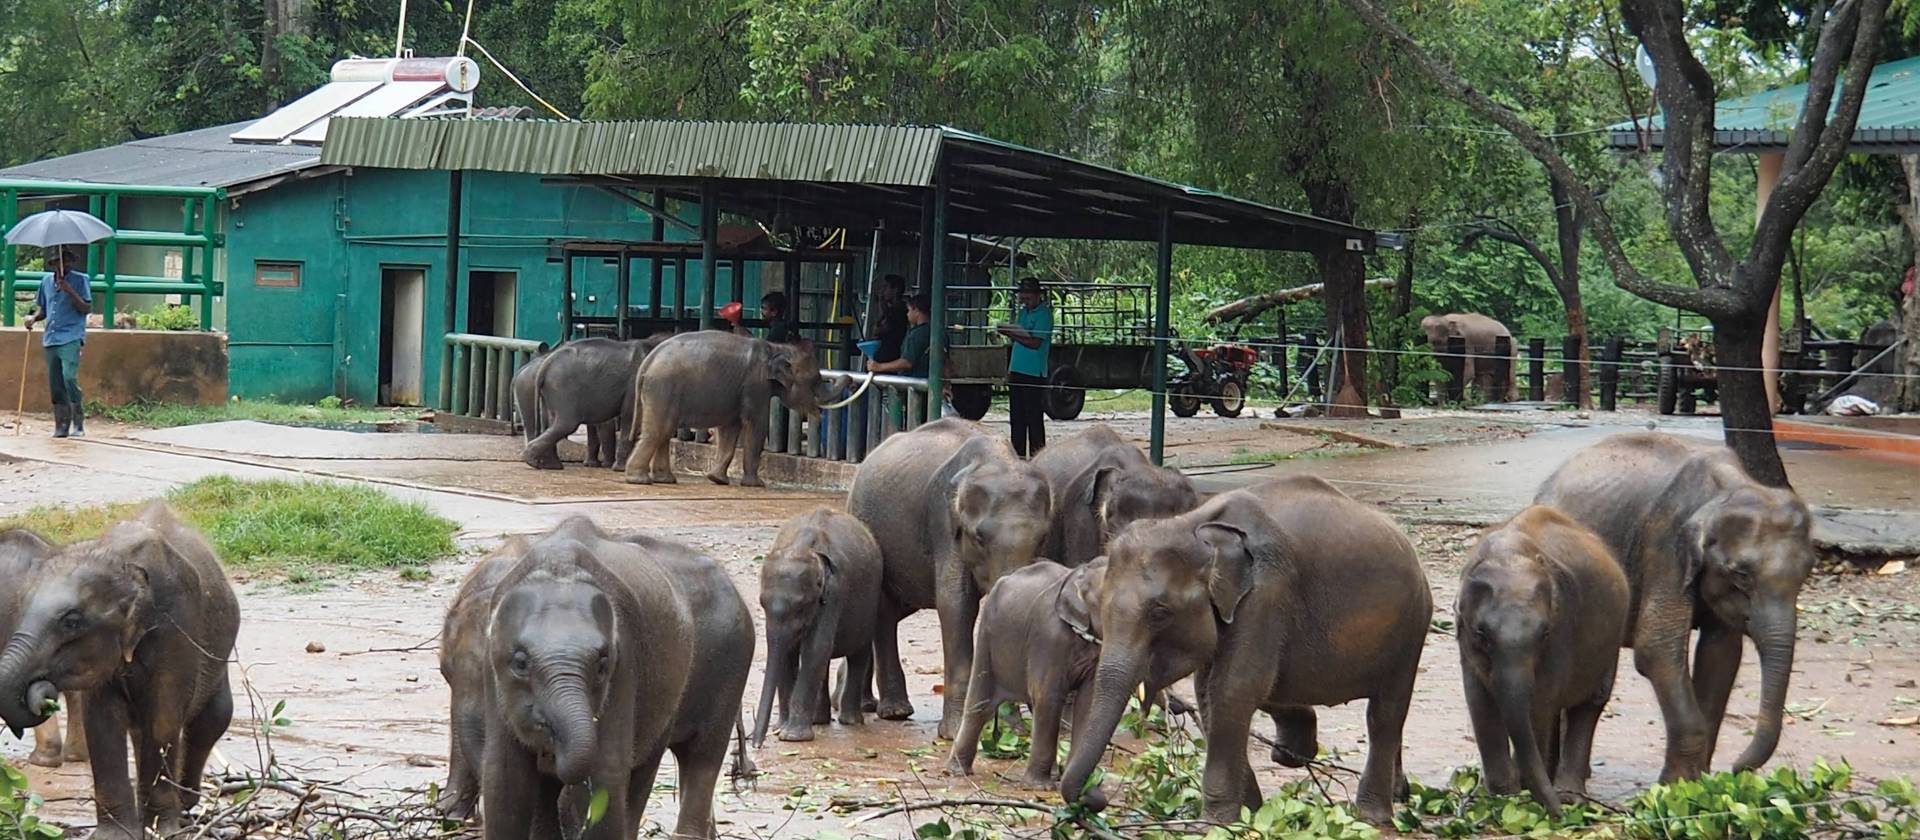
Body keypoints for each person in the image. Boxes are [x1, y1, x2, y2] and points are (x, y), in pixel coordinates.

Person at [22, 246, 92, 438]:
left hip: (71, 335)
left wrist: (69, 291)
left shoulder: (80, 280)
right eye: (58, 262)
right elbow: (43, 309)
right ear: (52, 264)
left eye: (66, 261)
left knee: (69, 377)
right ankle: (61, 424)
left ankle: (78, 422)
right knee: (56, 384)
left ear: (71, 262)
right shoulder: (45, 282)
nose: (62, 265)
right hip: (51, 337)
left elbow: (85, 307)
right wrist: (33, 319)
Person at [997, 277, 1053, 457]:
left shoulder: (1044, 314)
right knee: (1017, 418)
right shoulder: (1023, 313)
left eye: (1028, 298)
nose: (1026, 302)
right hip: (1018, 369)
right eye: (1024, 298)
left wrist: (1014, 334)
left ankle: (1038, 455)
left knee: (1034, 418)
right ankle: (1018, 455)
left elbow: (1035, 342)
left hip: (1033, 372)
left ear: (1037, 296)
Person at [869, 274, 909, 365]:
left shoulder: (899, 311)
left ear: (895, 290)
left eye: (886, 287)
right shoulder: (891, 309)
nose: (883, 291)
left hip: (889, 355)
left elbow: (880, 330)